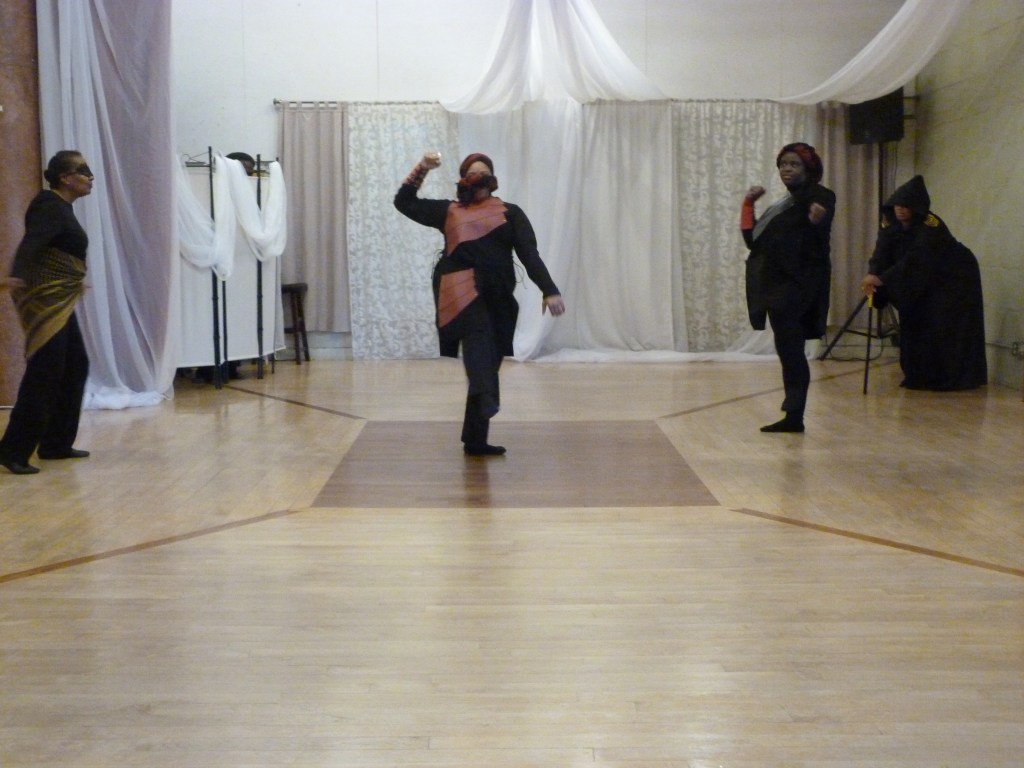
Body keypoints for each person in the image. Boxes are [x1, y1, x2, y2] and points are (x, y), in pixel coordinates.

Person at [394, 151, 565, 456]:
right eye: (472, 172)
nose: (479, 176)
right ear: (463, 179)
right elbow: (404, 202)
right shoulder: (449, 211)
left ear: (492, 178)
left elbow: (529, 254)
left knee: (488, 361)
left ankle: (475, 439)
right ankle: (489, 399)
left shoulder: (510, 213)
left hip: (498, 297)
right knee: (479, 347)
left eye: (484, 171)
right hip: (460, 292)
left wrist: (549, 290)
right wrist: (422, 168)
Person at [0, 150, 95, 474]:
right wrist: (16, 273)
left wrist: (70, 281)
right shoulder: (48, 204)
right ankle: (13, 451)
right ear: (65, 178)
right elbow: (33, 241)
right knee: (46, 372)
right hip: (46, 300)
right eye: (83, 171)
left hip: (59, 299)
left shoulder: (61, 208)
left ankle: (55, 443)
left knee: (75, 366)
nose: (90, 177)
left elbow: (58, 252)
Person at [859, 175, 986, 390]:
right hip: (921, 278)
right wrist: (872, 274)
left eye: (905, 205)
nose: (900, 209)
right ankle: (918, 375)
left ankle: (950, 377)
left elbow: (916, 258)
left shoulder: (932, 226)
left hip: (954, 277)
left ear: (917, 207)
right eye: (897, 204)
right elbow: (881, 251)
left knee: (942, 324)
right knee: (914, 318)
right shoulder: (889, 222)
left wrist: (882, 278)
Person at [741, 142, 835, 433]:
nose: (787, 169)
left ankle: (795, 411)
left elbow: (821, 215)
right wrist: (748, 205)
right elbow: (752, 240)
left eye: (794, 164)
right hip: (777, 286)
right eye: (783, 164)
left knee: (791, 350)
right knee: (788, 350)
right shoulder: (782, 205)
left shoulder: (820, 195)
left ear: (808, 168)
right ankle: (794, 415)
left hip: (799, 285)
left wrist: (818, 218)